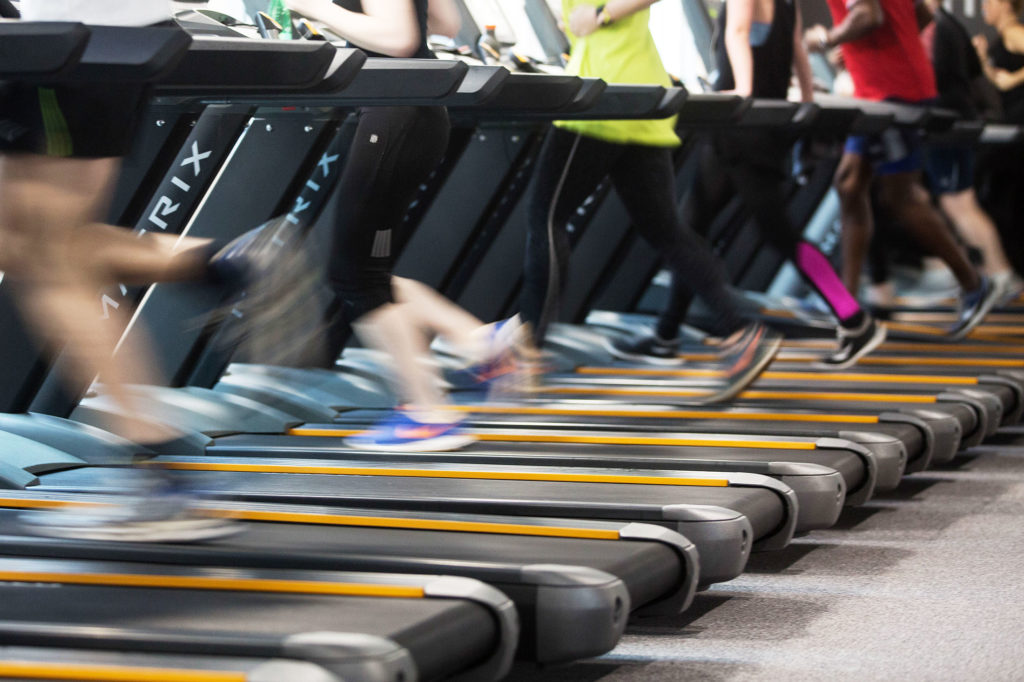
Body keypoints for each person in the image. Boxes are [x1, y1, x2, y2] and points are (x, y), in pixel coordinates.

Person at [0, 0, 291, 541]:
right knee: (31, 246)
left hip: (68, 44)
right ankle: (220, 263)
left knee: (46, 265)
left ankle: (157, 470)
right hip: (113, 42)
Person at [283, 0, 521, 449]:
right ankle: (478, 343)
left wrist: (312, 7)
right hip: (415, 110)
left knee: (353, 278)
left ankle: (428, 412)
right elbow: (446, 23)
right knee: (366, 275)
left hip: (395, 111)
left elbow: (399, 39)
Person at [520, 0, 782, 399]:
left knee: (546, 217)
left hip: (600, 96)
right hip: (640, 95)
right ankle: (739, 330)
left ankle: (528, 351)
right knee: (666, 230)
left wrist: (602, 14)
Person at [613, 0, 886, 369]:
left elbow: (739, 32)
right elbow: (796, 51)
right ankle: (667, 332)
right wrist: (805, 99)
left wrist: (741, 89)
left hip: (743, 129)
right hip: (747, 128)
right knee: (690, 224)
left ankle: (854, 320)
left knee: (780, 235)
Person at [805, 0, 1000, 338]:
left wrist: (827, 38)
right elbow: (921, 12)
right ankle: (848, 310)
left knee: (900, 196)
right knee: (849, 184)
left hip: (894, 93)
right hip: (876, 92)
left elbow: (869, 15)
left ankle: (974, 284)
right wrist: (874, 44)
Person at [920, 0, 1019, 297]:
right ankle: (978, 272)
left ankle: (1000, 274)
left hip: (954, 127)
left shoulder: (942, 27)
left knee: (958, 202)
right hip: (961, 125)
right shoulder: (951, 27)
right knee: (951, 201)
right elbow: (977, 75)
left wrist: (1012, 78)